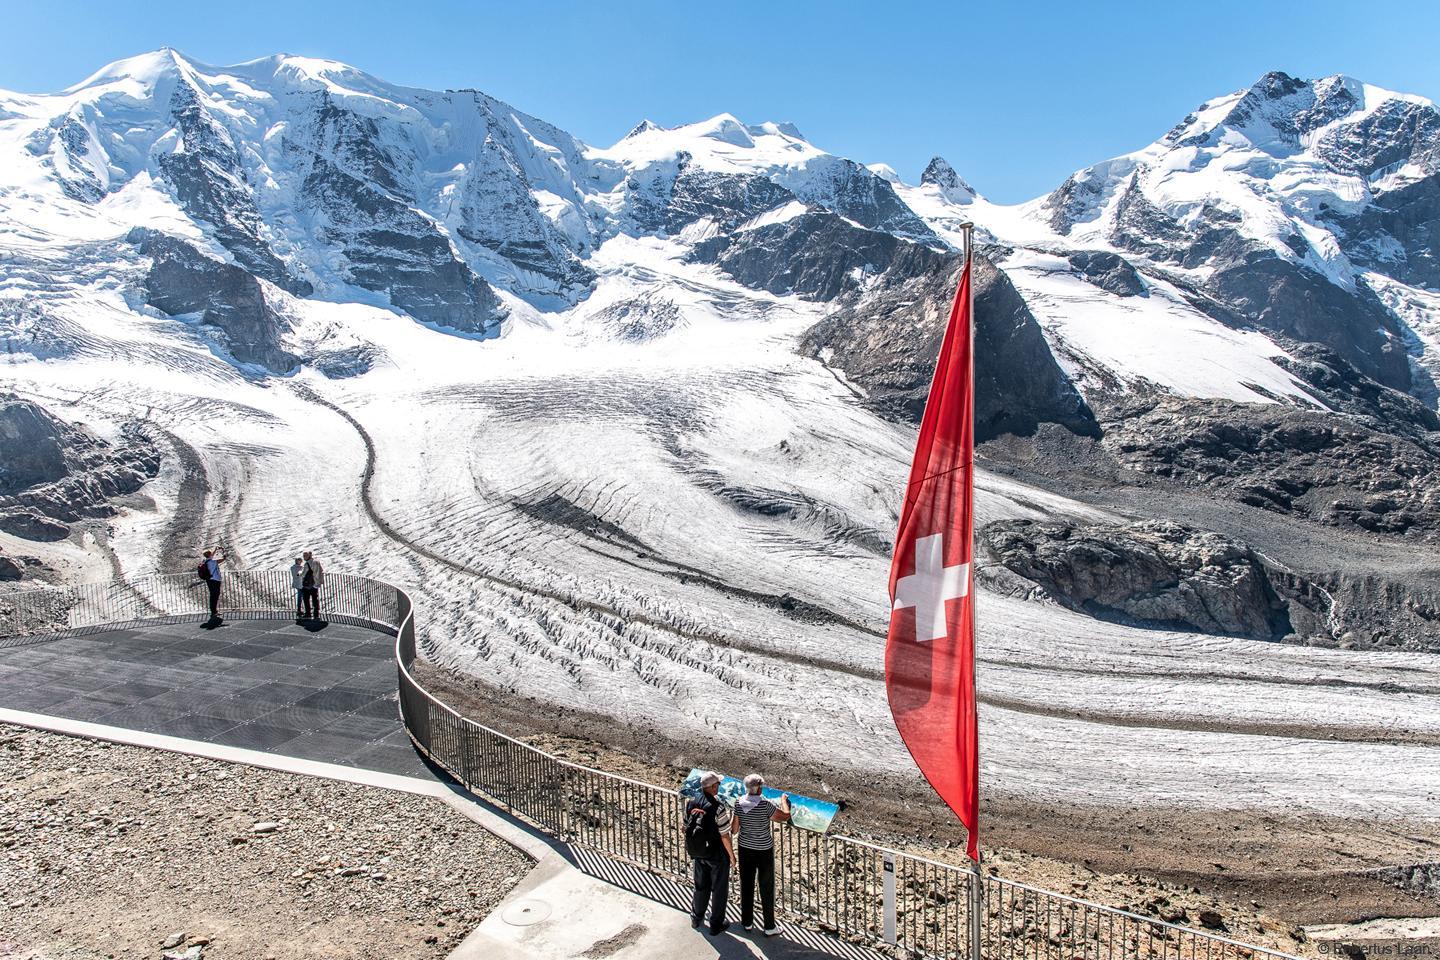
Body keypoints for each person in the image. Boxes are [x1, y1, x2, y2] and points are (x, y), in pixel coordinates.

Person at [732, 773, 791, 935]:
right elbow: (785, 817)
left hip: (744, 848)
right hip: (763, 849)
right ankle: (769, 926)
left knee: (746, 884)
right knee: (766, 886)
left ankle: (747, 922)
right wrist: (784, 803)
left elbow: (735, 829)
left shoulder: (738, 803)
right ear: (758, 788)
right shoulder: (765, 805)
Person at [684, 771, 736, 935]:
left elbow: (684, 826)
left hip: (699, 852)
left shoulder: (691, 802)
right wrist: (732, 856)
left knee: (700, 886)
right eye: (718, 784)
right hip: (717, 854)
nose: (719, 787)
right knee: (719, 889)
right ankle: (716, 923)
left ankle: (696, 917)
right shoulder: (718, 807)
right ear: (713, 787)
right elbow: (725, 835)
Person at [198, 548, 226, 621]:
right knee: (215, 596)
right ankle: (214, 611)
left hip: (209, 580)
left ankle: (214, 611)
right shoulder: (213, 562)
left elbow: (211, 556)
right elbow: (222, 559)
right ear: (210, 554)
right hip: (215, 580)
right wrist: (224, 554)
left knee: (212, 595)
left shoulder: (205, 561)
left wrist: (215, 549)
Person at [300, 550, 324, 620]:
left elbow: (303, 574)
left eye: (305, 555)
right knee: (315, 599)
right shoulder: (317, 562)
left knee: (306, 599)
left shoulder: (307, 564)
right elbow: (321, 571)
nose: (304, 557)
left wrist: (299, 573)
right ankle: (316, 614)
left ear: (309, 556)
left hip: (308, 584)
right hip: (316, 583)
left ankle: (308, 613)